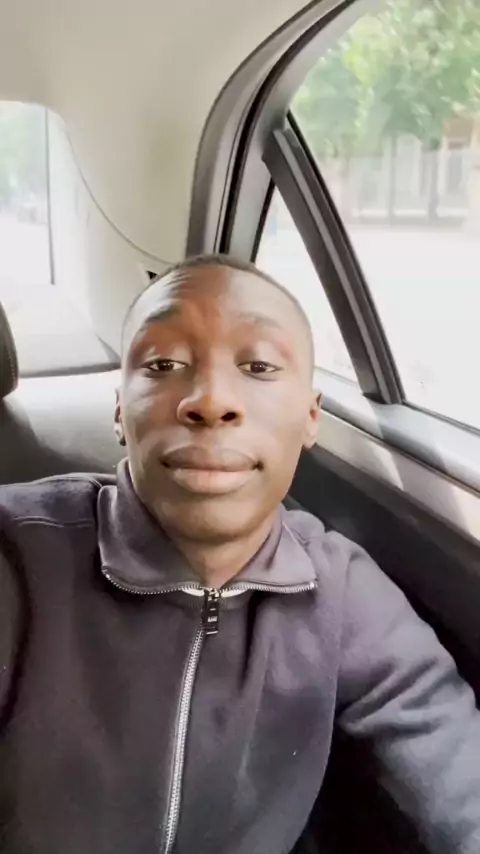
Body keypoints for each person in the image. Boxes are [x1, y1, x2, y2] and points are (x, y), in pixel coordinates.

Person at [0, 254, 479, 854]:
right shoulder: (18, 554)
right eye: (163, 364)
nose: (210, 401)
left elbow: (454, 767)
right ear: (121, 411)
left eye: (258, 365)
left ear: (310, 418)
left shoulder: (342, 591)